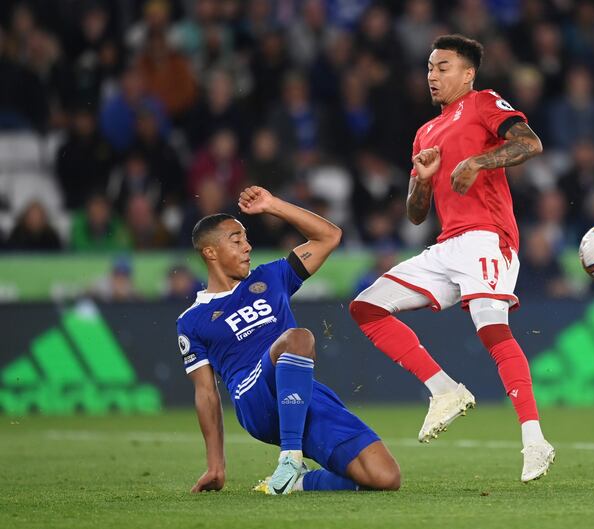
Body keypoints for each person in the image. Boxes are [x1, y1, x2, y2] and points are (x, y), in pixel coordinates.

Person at [349, 35, 554, 483]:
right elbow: (416, 213)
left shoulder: (483, 103)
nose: (432, 76)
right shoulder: (426, 132)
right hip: (447, 244)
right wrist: (423, 180)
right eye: (429, 68)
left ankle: (535, 440)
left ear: (468, 74)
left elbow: (530, 143)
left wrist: (479, 162)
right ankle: (444, 391)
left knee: (491, 328)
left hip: (486, 237)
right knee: (366, 307)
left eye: (442, 67)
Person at [177, 186, 400, 496]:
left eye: (247, 239)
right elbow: (206, 393)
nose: (247, 247)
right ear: (210, 252)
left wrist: (274, 205)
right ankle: (290, 457)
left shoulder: (270, 277)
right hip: (254, 398)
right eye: (236, 240)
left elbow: (329, 236)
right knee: (299, 337)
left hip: (298, 392)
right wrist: (216, 465)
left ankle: (300, 481)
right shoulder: (192, 320)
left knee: (385, 477)